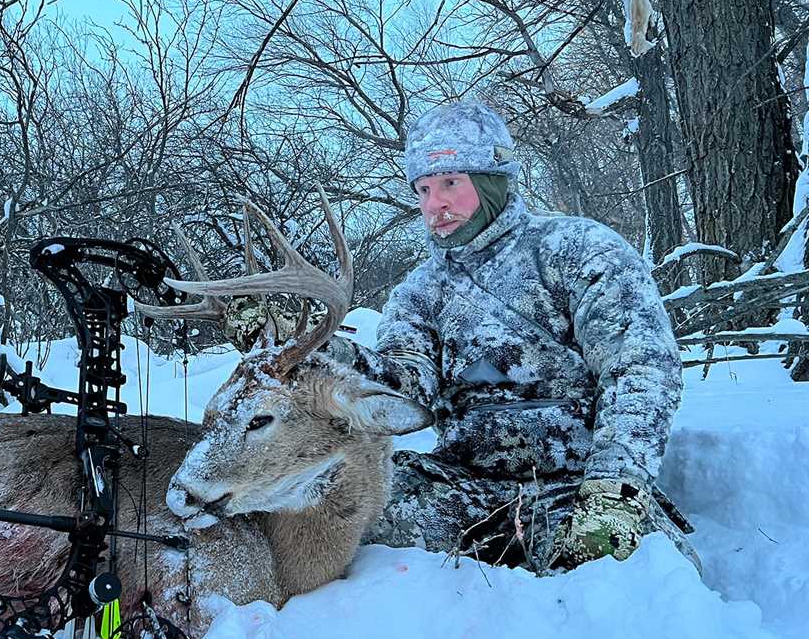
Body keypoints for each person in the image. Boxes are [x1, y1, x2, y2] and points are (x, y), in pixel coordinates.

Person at [227, 100, 694, 572]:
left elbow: (641, 366)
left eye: (451, 183)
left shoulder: (576, 249)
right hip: (461, 485)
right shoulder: (422, 290)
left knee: (643, 578)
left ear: (492, 180)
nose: (435, 205)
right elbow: (402, 385)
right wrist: (308, 345)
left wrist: (615, 488)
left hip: (576, 486)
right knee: (334, 526)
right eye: (424, 190)